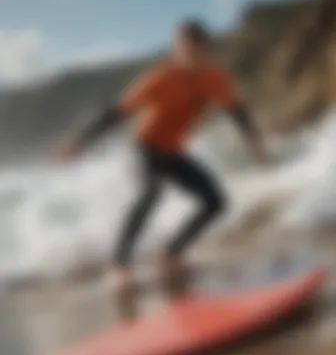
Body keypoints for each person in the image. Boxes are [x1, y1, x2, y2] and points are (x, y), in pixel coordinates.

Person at [56, 19, 266, 294]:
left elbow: (236, 110)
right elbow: (117, 113)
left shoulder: (214, 79)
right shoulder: (159, 78)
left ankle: (170, 255)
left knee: (216, 202)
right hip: (144, 148)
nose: (187, 55)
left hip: (173, 151)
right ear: (176, 49)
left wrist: (252, 139)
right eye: (181, 48)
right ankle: (119, 265)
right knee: (151, 193)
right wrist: (80, 143)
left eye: (194, 49)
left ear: (204, 49)